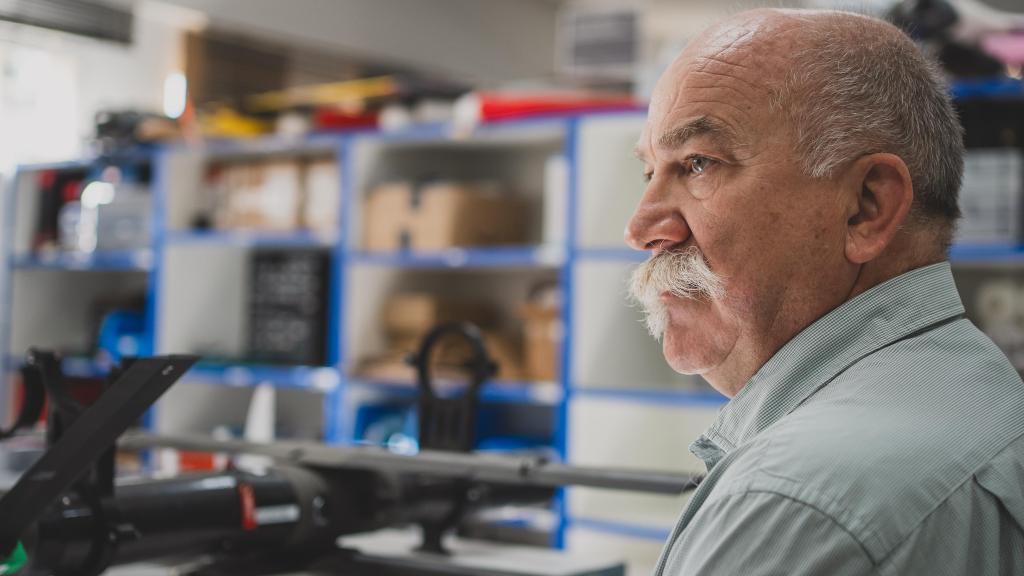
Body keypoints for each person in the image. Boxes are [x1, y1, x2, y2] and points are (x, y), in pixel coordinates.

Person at [626, 8, 1024, 575]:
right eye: (650, 172)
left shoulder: (788, 505)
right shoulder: (985, 392)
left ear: (867, 207)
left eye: (697, 164)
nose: (641, 228)